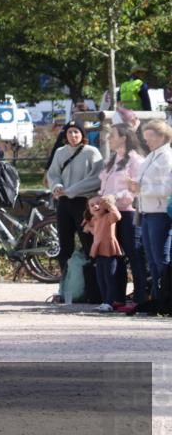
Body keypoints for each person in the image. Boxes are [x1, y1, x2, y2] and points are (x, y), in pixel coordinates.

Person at [96, 125, 147, 310]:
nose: (109, 138)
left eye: (113, 135)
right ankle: (116, 298)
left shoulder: (136, 160)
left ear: (124, 138)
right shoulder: (112, 159)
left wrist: (116, 197)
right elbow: (104, 185)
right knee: (113, 256)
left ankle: (141, 299)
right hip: (110, 214)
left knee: (135, 256)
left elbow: (137, 189)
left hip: (128, 213)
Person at [46, 121, 103, 283]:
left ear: (83, 135)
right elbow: (53, 174)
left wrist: (71, 190)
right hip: (64, 202)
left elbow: (96, 178)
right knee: (65, 244)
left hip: (83, 202)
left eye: (76, 132)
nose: (73, 136)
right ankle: (66, 283)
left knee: (88, 243)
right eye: (70, 132)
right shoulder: (60, 152)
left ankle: (93, 285)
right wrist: (57, 186)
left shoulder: (92, 152)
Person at [127, 120, 172, 305]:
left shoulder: (167, 158)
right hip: (146, 212)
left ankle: (167, 297)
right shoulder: (152, 156)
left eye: (150, 137)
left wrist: (140, 188)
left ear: (162, 136)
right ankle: (158, 297)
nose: (147, 142)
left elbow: (166, 189)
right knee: (151, 259)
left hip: (160, 213)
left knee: (161, 258)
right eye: (146, 138)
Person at [83, 196, 123, 312]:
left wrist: (110, 205)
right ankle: (105, 301)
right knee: (101, 278)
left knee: (109, 277)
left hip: (109, 250)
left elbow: (117, 216)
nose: (95, 206)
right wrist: (88, 227)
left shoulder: (108, 217)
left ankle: (109, 302)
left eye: (99, 203)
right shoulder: (95, 220)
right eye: (92, 205)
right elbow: (96, 231)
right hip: (98, 251)